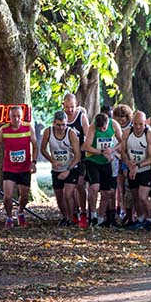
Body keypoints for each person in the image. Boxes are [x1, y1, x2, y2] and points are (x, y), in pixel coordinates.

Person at [0, 105, 38, 228]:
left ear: (21, 117)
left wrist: (34, 162)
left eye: (18, 116)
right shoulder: (4, 130)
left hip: (24, 168)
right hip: (9, 168)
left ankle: (20, 212)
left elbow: (35, 146)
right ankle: (9, 216)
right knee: (7, 196)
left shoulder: (28, 128)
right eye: (13, 116)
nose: (16, 119)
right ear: (9, 117)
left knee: (25, 196)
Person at [40, 111, 82, 226]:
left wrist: (68, 170)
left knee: (67, 193)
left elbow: (78, 155)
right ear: (54, 123)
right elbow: (43, 149)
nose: (61, 127)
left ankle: (72, 217)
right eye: (58, 125)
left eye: (64, 124)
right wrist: (52, 160)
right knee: (59, 196)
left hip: (71, 167)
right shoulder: (48, 132)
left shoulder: (71, 133)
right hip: (57, 169)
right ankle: (65, 216)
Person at [82, 112, 123, 226]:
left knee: (106, 192)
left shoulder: (114, 125)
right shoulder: (92, 127)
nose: (103, 130)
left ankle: (100, 218)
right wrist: (101, 152)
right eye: (100, 128)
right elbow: (86, 146)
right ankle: (93, 214)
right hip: (93, 161)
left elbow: (122, 141)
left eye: (104, 128)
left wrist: (112, 149)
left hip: (106, 162)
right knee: (94, 187)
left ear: (107, 122)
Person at [121, 111, 151, 229]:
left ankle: (150, 218)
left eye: (140, 124)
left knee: (143, 196)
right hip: (132, 168)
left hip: (145, 168)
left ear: (145, 123)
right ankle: (140, 218)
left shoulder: (149, 134)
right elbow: (123, 152)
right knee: (135, 195)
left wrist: (138, 166)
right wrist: (129, 164)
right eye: (135, 124)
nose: (138, 127)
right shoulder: (126, 133)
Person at [63, 93, 90, 228]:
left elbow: (88, 136)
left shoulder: (81, 117)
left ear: (77, 105)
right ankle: (73, 213)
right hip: (67, 157)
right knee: (69, 187)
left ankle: (84, 213)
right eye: (67, 107)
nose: (70, 110)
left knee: (80, 184)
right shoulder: (61, 118)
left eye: (72, 107)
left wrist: (83, 148)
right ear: (63, 105)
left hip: (81, 157)